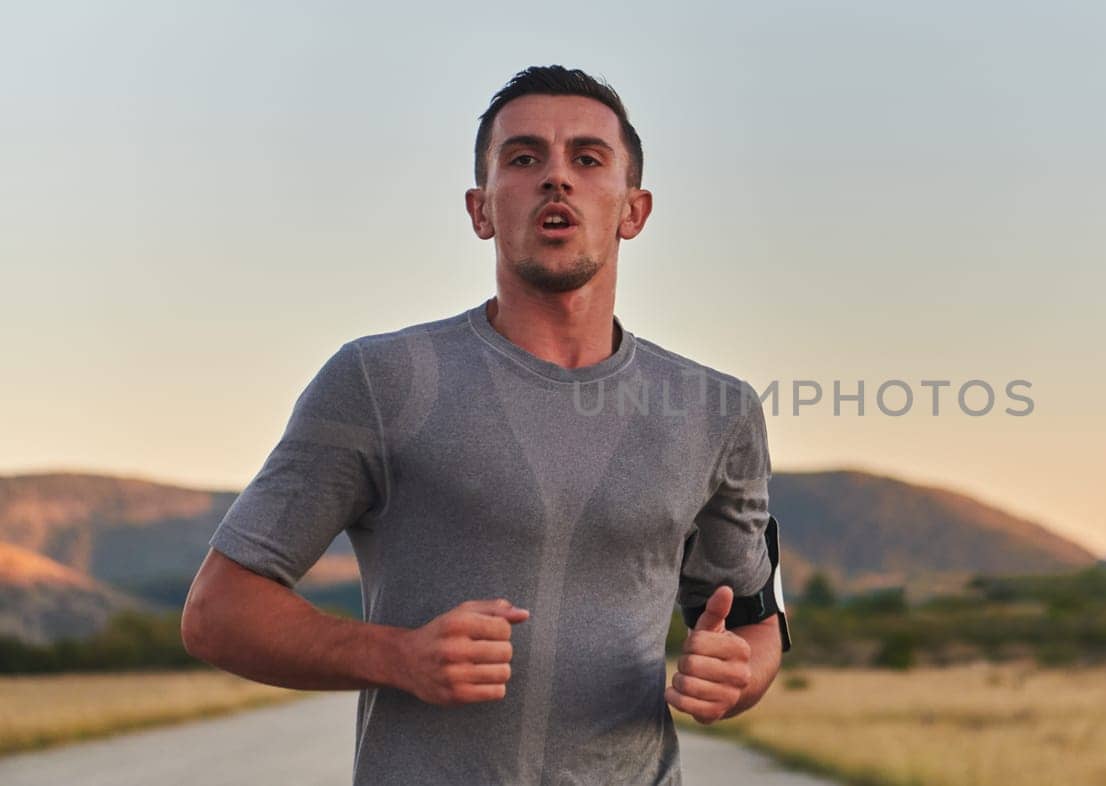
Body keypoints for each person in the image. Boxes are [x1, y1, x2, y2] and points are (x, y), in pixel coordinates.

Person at [180, 64, 790, 785]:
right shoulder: (381, 381)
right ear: (481, 210)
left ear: (634, 209)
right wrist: (396, 656)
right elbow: (217, 613)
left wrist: (739, 674)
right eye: (524, 158)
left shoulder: (716, 409)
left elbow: (752, 619)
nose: (556, 179)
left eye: (587, 160)